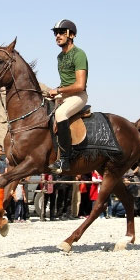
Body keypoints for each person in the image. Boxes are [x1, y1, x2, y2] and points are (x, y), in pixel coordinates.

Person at [47, 19, 88, 173]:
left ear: (71, 35)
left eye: (61, 32)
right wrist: (56, 91)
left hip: (78, 96)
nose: (57, 36)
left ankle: (65, 160)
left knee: (60, 113)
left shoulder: (79, 54)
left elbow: (80, 85)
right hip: (64, 95)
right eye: (56, 33)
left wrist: (58, 91)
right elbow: (65, 82)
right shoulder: (60, 57)